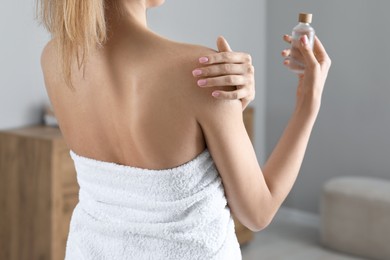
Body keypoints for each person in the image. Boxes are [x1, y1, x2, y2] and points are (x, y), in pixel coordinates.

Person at [38, 0, 331, 259]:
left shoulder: (55, 60)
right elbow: (258, 212)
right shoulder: (200, 71)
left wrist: (230, 108)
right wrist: (308, 101)